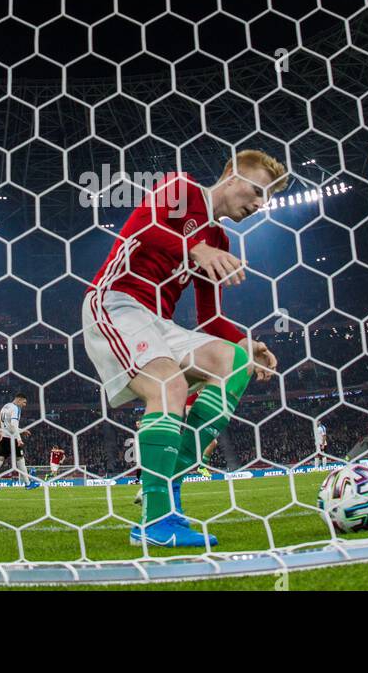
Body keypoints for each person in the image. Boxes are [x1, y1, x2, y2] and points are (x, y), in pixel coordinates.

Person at [82, 151, 287, 547]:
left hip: (161, 323)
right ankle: (156, 522)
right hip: (117, 301)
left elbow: (211, 319)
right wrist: (194, 248)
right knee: (169, 386)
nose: (260, 204)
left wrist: (246, 341)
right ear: (230, 173)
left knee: (234, 362)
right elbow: (145, 227)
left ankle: (169, 483)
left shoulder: (219, 239)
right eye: (257, 191)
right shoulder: (183, 189)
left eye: (268, 199)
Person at [0, 392, 35, 488]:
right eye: (24, 402)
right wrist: (19, 439)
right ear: (19, 399)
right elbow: (13, 425)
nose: (24, 405)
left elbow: (8, 425)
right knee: (20, 460)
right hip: (12, 438)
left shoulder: (6, 406)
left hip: (4, 437)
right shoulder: (16, 408)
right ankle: (28, 483)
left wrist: (21, 431)